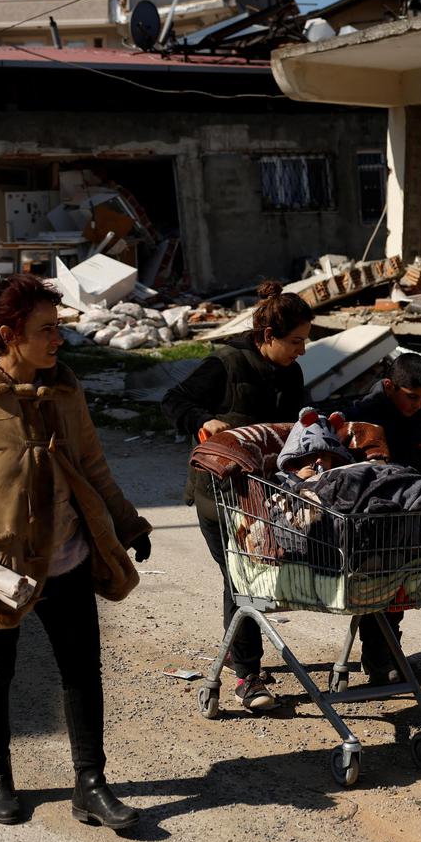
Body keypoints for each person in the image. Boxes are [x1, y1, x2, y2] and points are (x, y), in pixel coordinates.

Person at [0, 274, 152, 829]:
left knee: (81, 671)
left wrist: (127, 523)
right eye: (46, 330)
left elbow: (92, 468)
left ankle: (91, 785)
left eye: (58, 328)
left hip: (66, 558)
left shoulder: (65, 391)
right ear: (8, 334)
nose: (57, 340)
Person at [163, 280, 313, 713]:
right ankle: (248, 676)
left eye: (305, 341)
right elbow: (173, 402)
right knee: (241, 578)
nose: (301, 350)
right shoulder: (225, 364)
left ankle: (236, 650)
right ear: (268, 336)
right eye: (295, 341)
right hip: (220, 495)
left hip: (267, 497)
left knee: (255, 576)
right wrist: (203, 420)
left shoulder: (293, 372)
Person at [345, 353, 421, 684]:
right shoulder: (361, 417)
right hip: (369, 525)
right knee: (376, 587)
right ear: (390, 386)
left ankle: (384, 655)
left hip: (413, 524)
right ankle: (380, 658)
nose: (418, 404)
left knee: (399, 591)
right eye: (411, 397)